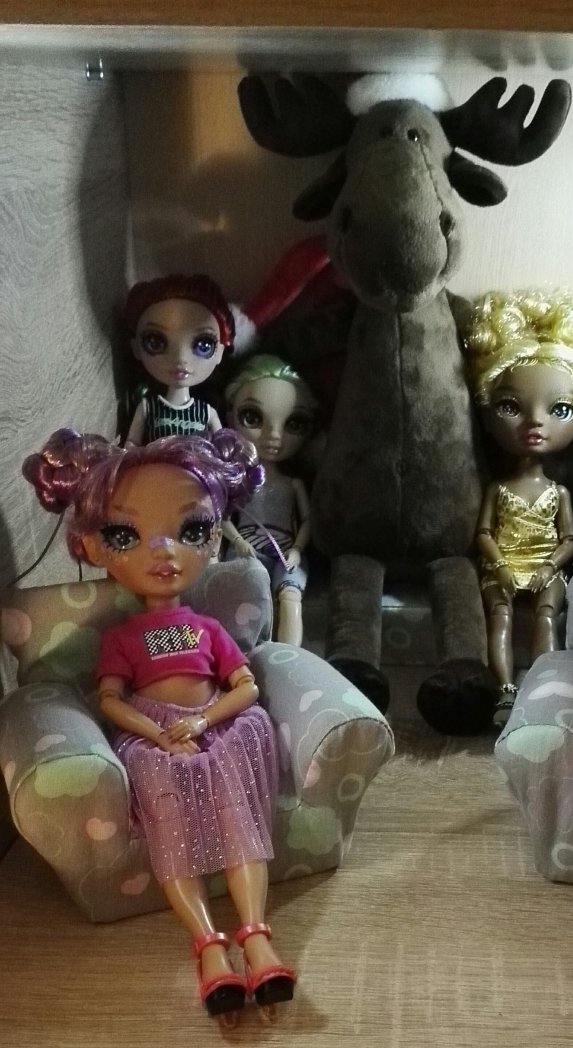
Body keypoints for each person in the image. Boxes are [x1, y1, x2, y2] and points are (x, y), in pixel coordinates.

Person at [22, 428, 296, 1025]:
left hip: (216, 724)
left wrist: (201, 719)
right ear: (92, 547)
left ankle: (255, 937)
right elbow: (111, 699)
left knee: (239, 811)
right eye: (125, 535)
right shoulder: (123, 637)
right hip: (157, 735)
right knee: (170, 825)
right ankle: (208, 947)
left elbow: (246, 686)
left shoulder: (205, 629)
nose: (164, 551)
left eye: (191, 530)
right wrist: (159, 733)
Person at [464, 288, 573, 727]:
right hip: (503, 565)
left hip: (547, 564)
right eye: (511, 406)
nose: (535, 422)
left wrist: (550, 566)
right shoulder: (497, 487)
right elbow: (483, 532)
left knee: (548, 616)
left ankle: (541, 689)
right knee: (500, 617)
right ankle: (504, 691)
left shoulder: (560, 492)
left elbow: (569, 538)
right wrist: (499, 565)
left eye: (560, 409)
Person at [222, 354, 319, 646]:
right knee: (248, 595)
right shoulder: (240, 480)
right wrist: (238, 541)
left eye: (294, 423)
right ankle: (244, 656)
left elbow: (308, 520)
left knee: (290, 595)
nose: (274, 436)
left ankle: (289, 658)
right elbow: (221, 516)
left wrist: (298, 549)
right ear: (230, 416)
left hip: (285, 549)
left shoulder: (294, 484)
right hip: (247, 550)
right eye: (252, 418)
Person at [123, 274, 234, 444]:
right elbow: (131, 444)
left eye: (204, 345)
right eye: (155, 343)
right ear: (136, 348)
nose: (180, 359)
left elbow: (222, 448)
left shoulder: (207, 413)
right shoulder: (147, 408)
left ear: (219, 352)